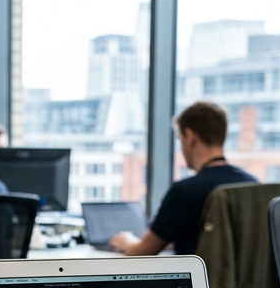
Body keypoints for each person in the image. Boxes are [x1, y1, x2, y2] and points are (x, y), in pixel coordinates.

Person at [109, 101, 256, 256]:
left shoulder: (186, 191)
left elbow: (142, 252)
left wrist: (126, 241)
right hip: (250, 280)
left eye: (181, 139)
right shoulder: (252, 184)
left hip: (197, 279)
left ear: (190, 137)